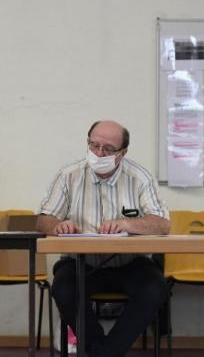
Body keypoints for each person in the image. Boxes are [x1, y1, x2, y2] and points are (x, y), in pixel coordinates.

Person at [37, 120, 170, 357]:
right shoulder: (69, 175)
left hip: (129, 264)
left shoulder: (139, 177)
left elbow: (162, 224)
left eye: (108, 149)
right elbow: (43, 220)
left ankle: (104, 353)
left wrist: (127, 223)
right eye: (94, 145)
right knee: (64, 289)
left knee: (155, 288)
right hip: (81, 263)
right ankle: (105, 351)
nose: (99, 153)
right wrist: (58, 225)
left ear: (123, 153)